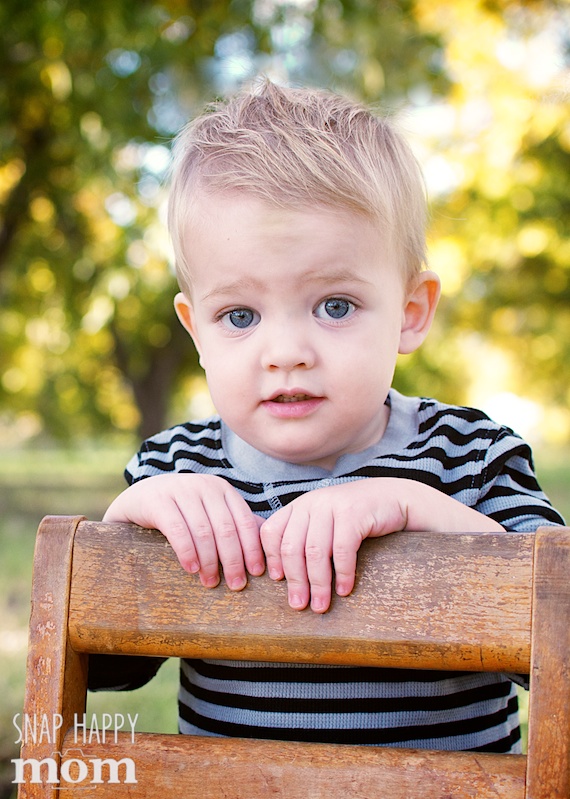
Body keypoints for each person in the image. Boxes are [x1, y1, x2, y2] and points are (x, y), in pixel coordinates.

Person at [92, 80, 564, 752]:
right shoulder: (175, 468)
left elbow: (559, 635)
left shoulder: (470, 455)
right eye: (240, 316)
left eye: (334, 305)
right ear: (196, 331)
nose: (285, 353)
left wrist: (413, 507)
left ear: (411, 311)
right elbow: (107, 666)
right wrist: (129, 525)